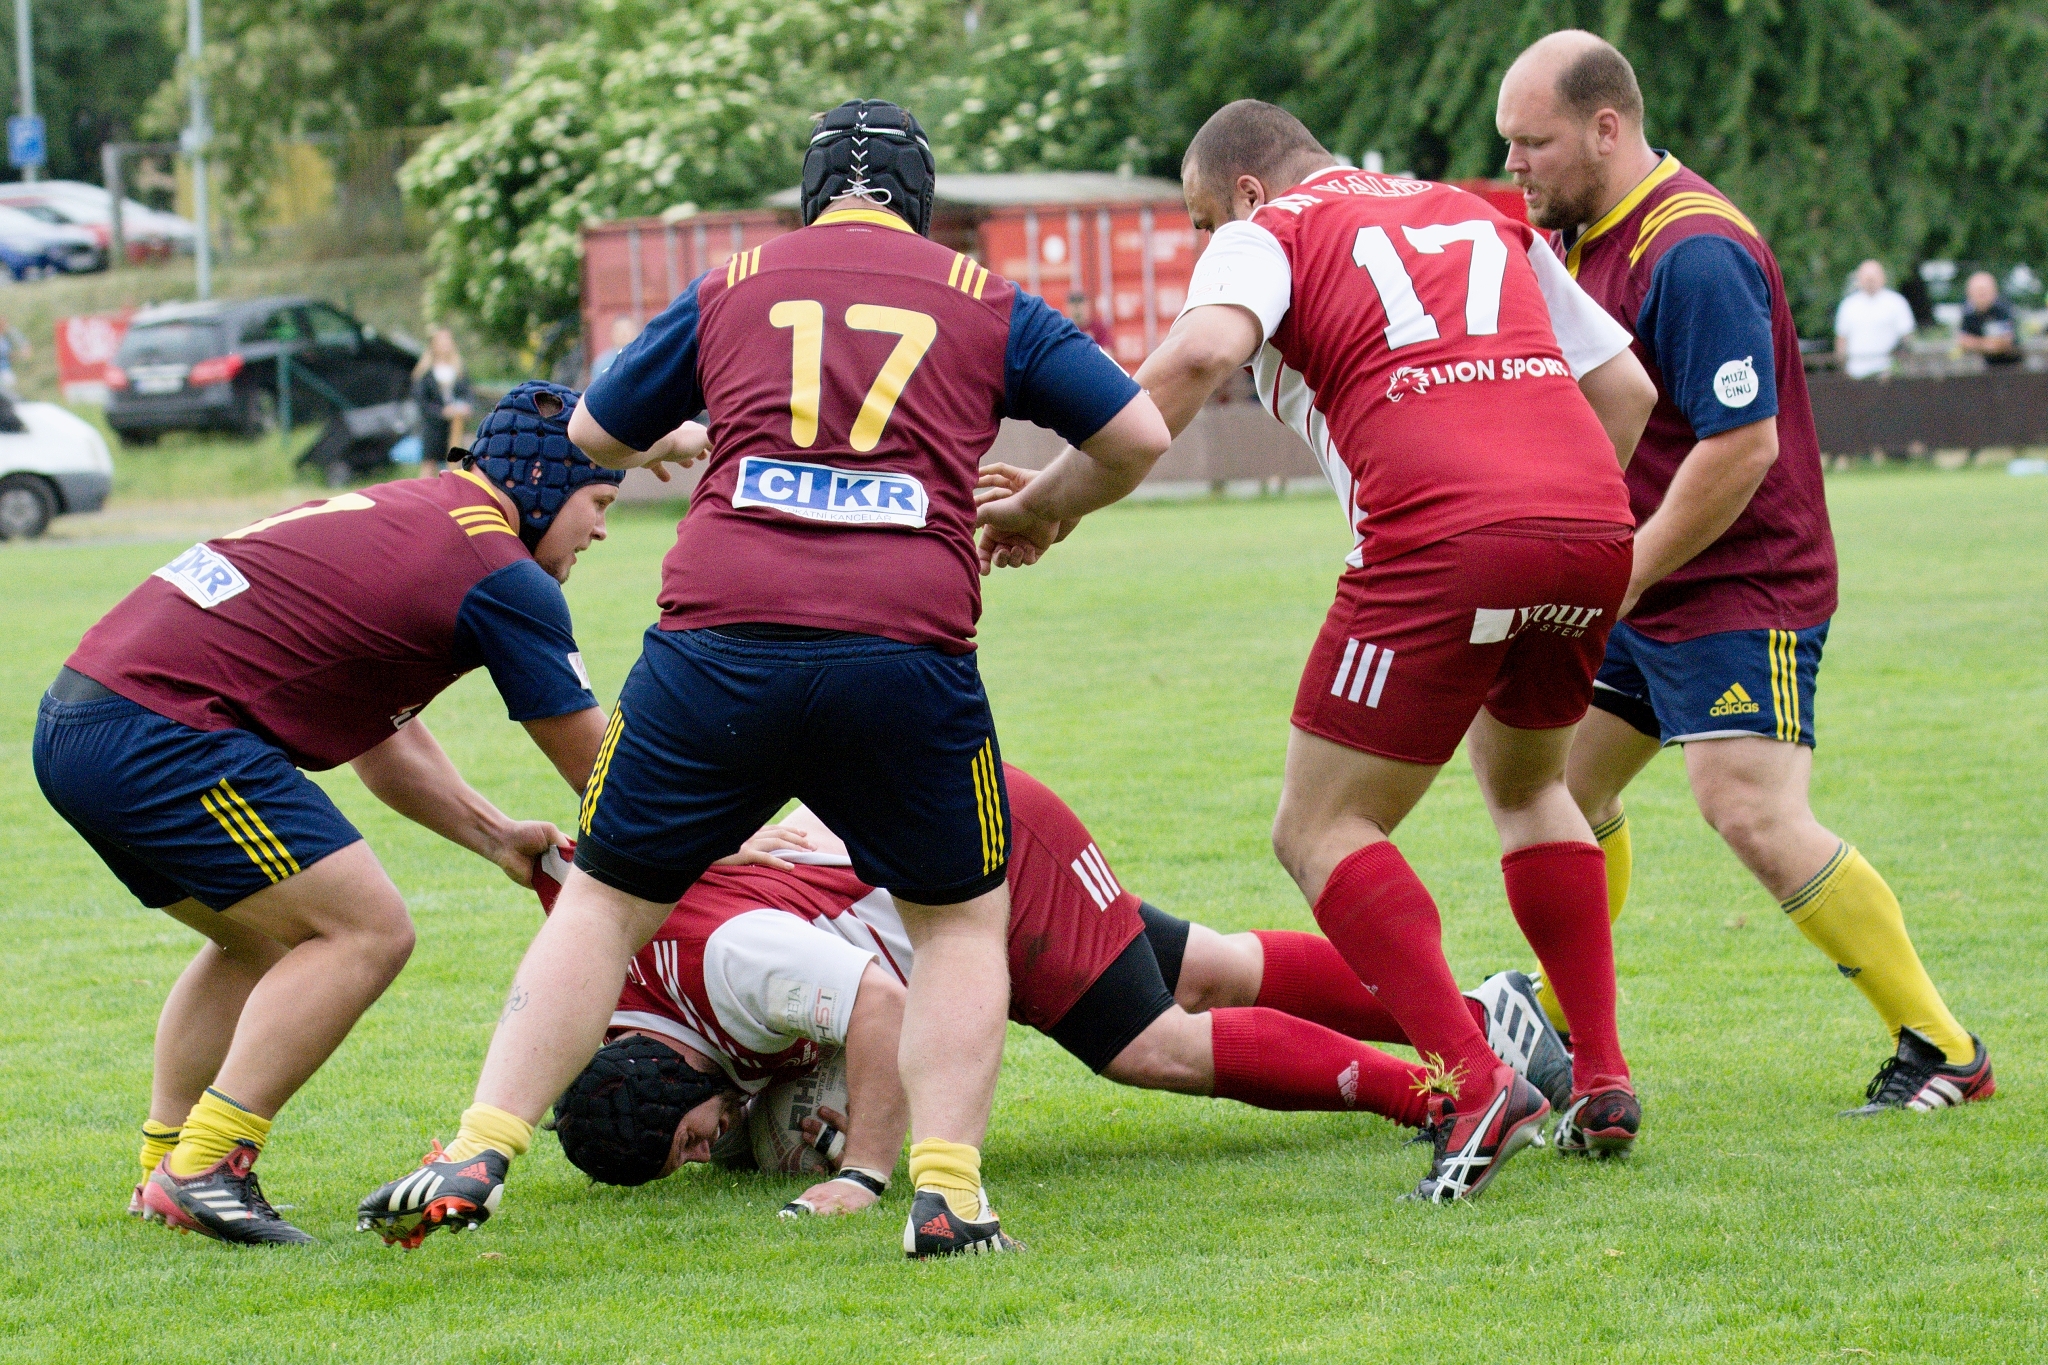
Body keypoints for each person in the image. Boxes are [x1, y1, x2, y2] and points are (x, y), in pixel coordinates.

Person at [356, 99, 1170, 1259]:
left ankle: (480, 1145)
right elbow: (1135, 437)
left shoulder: (732, 280)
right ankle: (946, 1193)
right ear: (920, 205)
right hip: (902, 647)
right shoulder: (982, 296)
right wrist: (1040, 508)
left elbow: (592, 434)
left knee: (605, 903)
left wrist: (702, 430)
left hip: (716, 642)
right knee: (955, 926)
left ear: (807, 197)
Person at [977, 99, 1659, 1202]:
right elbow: (1624, 391)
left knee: (1319, 826)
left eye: (1204, 222)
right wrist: (1555, 514)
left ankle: (1474, 1080)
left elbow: (1200, 353)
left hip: (1441, 533)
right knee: (1533, 789)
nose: (1207, 245)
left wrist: (1050, 502)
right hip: (1590, 525)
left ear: (1247, 191)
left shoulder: (1274, 229)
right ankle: (1602, 1075)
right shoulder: (1473, 212)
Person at [1497, 31, 1992, 1115]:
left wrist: (1620, 575)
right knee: (1560, 787)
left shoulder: (1693, 250)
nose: (1515, 164)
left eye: (1533, 142)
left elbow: (1741, 448)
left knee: (1748, 808)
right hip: (1645, 578)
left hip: (1739, 581)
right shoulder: (1577, 236)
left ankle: (1944, 1049)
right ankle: (1565, 1031)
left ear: (1605, 128)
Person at [32, 382, 623, 1244]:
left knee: (260, 942)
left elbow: (383, 740)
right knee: (367, 930)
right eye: (599, 502)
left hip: (80, 719)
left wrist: (495, 835)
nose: (601, 530)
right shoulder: (501, 571)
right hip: (161, 728)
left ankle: (165, 1162)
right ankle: (204, 1165)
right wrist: (731, 834)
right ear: (541, 484)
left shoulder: (425, 514)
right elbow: (601, 772)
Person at [537, 766, 1573, 1215]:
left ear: (672, 1072)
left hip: (985, 872)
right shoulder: (612, 982)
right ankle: (1481, 1022)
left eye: (693, 1140)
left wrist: (862, 1172)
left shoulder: (730, 965)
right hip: (966, 846)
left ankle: (1445, 1099)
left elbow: (881, 1007)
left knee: (1152, 1045)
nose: (713, 1149)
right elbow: (563, 866)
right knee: (1206, 968)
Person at [1832, 260, 1918, 379]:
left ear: (1883, 278)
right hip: (1856, 373)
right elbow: (1841, 339)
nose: (1870, 282)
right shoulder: (1848, 305)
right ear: (1859, 279)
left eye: (1873, 277)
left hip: (1888, 374)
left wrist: (1900, 367)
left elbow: (1907, 337)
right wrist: (1843, 368)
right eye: (1867, 278)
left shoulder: (1896, 302)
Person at [412, 327, 477, 472]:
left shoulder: (459, 369)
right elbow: (422, 401)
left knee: (456, 463)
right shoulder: (425, 372)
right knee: (430, 464)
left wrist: (466, 407)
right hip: (433, 427)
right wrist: (441, 412)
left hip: (456, 424)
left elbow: (468, 393)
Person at [1956, 271, 2021, 366]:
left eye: (1984, 290)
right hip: (1985, 364)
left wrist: (1976, 343)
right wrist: (1986, 344)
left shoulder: (2002, 309)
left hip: (2012, 364)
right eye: (1977, 291)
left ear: (1994, 291)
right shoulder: (1969, 314)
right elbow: (1963, 341)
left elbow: (2005, 342)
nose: (1980, 294)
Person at [590, 315, 642, 381]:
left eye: (627, 329)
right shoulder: (602, 363)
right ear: (612, 334)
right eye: (620, 330)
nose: (624, 334)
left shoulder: (642, 358)